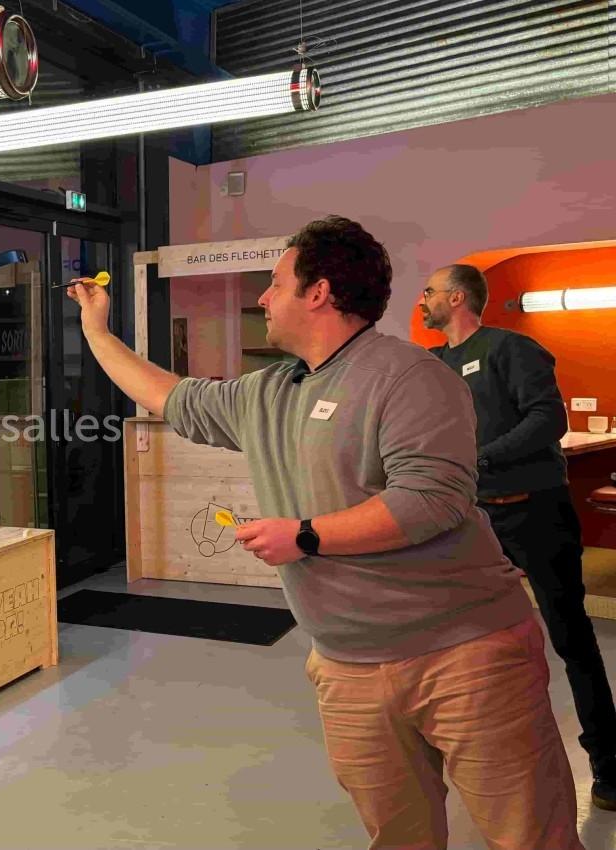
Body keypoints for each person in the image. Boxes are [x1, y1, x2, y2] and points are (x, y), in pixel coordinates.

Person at [69, 216, 583, 849]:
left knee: (532, 837)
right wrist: (96, 331)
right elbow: (173, 398)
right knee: (400, 837)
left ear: (319, 292)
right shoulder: (270, 391)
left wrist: (305, 536)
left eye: (276, 283)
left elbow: (432, 498)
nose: (262, 298)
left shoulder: (409, 375)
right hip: (347, 664)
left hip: (465, 655)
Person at [421, 262, 616, 810]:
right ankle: (477, 761)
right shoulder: (435, 363)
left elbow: (546, 418)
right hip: (474, 519)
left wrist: (480, 458)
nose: (423, 300)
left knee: (571, 638)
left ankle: (609, 764)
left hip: (536, 513)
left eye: (430, 291)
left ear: (457, 298)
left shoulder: (511, 348)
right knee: (461, 639)